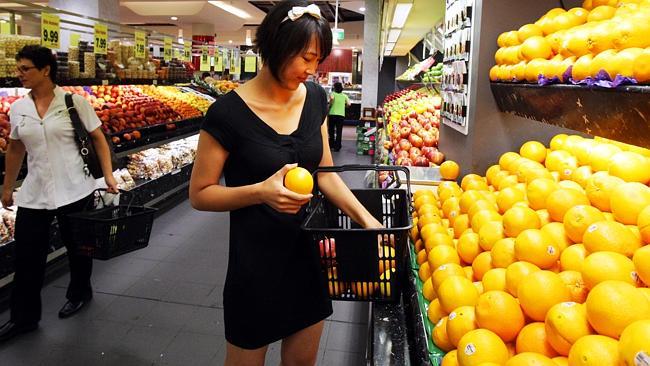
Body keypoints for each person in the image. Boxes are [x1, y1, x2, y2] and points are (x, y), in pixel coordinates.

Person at [189, 1, 383, 365]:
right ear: (276, 47)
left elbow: (324, 172)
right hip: (255, 264)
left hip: (308, 256)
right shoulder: (227, 113)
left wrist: (366, 219)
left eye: (317, 61)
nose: (312, 70)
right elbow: (200, 194)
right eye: (305, 58)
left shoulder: (315, 99)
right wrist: (260, 192)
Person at [0, 45, 118, 342]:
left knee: (79, 248)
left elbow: (98, 138)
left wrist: (107, 174)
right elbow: (15, 148)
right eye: (18, 68)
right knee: (27, 257)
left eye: (25, 68)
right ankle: (23, 318)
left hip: (75, 187)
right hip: (35, 192)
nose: (20, 74)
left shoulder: (74, 103)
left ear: (45, 70)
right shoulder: (18, 107)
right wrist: (7, 187)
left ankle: (80, 292)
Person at [327, 81, 350, 151]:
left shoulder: (332, 94)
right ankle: (338, 147)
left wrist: (330, 105)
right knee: (339, 131)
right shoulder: (345, 96)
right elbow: (349, 104)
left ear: (335, 88)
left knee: (331, 131)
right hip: (341, 115)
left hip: (332, 114)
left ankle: (331, 145)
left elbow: (331, 99)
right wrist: (344, 106)